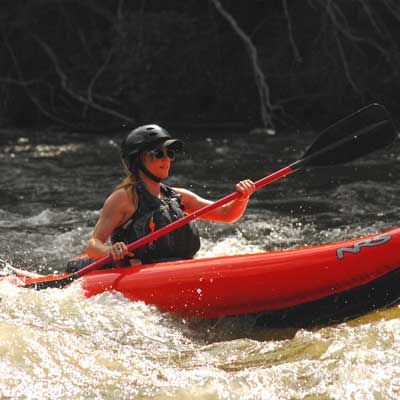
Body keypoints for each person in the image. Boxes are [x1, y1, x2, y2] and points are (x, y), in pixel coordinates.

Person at [66, 124, 255, 271]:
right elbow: (93, 245)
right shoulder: (123, 198)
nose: (167, 159)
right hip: (138, 272)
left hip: (176, 267)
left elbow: (226, 214)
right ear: (138, 159)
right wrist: (110, 251)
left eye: (170, 153)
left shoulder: (179, 197)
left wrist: (242, 197)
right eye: (158, 154)